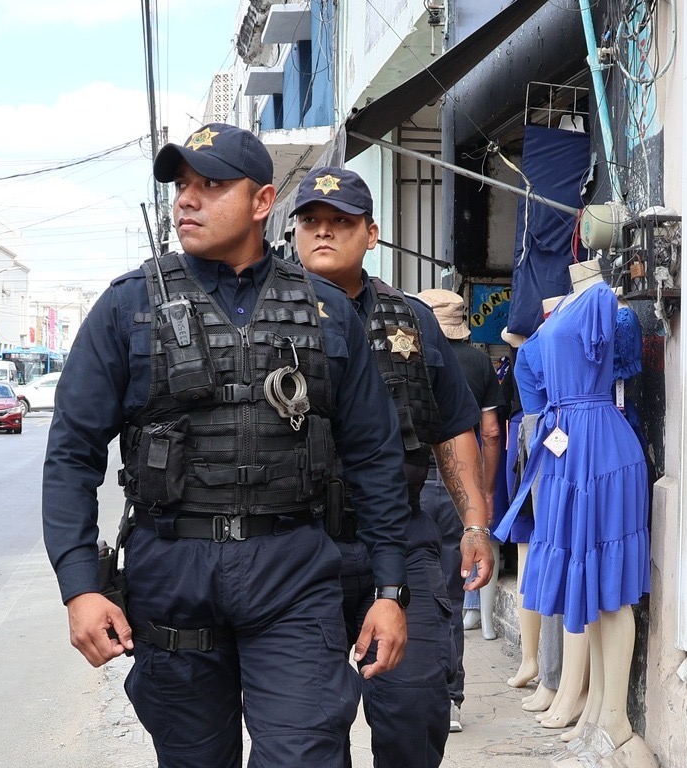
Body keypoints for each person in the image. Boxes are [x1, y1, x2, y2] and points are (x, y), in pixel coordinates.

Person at [43, 124, 414, 768]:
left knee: (305, 755)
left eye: (211, 184)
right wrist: (80, 585)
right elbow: (72, 452)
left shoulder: (326, 312)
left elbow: (375, 456)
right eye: (183, 185)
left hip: (293, 572)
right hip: (173, 573)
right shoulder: (128, 307)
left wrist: (390, 589)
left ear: (263, 202)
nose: (188, 199)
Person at [290, 166, 492, 767]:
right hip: (300, 549)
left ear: (371, 233)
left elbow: (453, 427)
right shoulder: (264, 319)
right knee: (309, 734)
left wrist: (476, 524)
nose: (324, 233)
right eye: (312, 222)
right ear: (294, 232)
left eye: (341, 222)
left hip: (401, 538)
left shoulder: (411, 319)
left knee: (414, 714)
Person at [415, 287, 505, 733]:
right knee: (450, 596)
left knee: (404, 589)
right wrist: (482, 495)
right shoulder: (477, 361)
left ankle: (411, 691)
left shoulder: (408, 354)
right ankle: (450, 695)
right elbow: (490, 432)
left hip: (413, 486)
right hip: (459, 490)